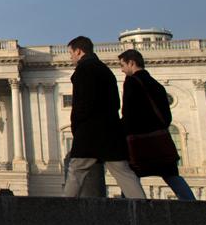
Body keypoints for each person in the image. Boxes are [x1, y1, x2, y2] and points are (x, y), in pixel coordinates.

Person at [62, 36, 145, 198]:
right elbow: (115, 102)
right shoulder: (105, 70)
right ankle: (143, 209)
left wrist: (78, 127)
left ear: (78, 51)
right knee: (124, 173)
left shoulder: (83, 70)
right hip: (111, 130)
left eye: (71, 53)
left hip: (89, 131)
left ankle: (63, 211)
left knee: (76, 171)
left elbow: (82, 104)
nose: (70, 57)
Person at [118, 49, 196, 200]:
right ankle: (192, 205)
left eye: (122, 65)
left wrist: (123, 132)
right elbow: (167, 117)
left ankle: (125, 210)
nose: (121, 70)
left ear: (131, 62)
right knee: (172, 175)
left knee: (130, 177)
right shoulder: (158, 85)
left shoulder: (132, 82)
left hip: (139, 141)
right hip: (160, 140)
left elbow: (128, 113)